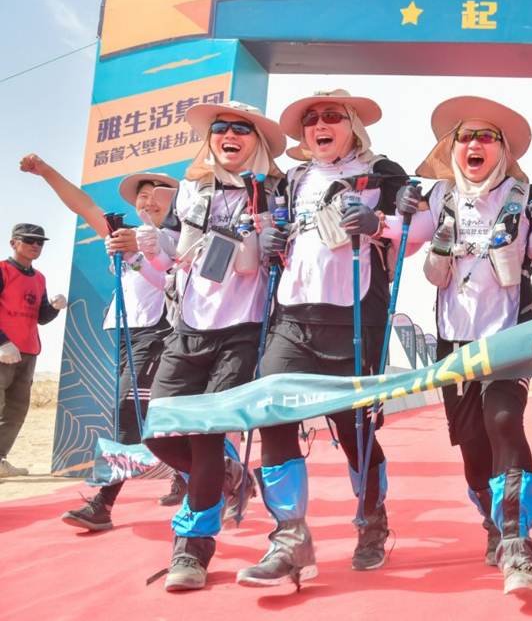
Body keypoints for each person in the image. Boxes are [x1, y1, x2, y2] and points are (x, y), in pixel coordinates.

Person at [389, 96, 532, 595]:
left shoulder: (523, 194)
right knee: (472, 446)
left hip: (510, 335)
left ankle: (517, 540)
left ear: (502, 150)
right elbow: (408, 237)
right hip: (454, 342)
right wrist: (386, 218)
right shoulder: (440, 196)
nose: (474, 144)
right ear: (453, 148)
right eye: (466, 136)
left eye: (486, 137)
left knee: (504, 420)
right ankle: (493, 521)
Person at [236, 89, 408, 587]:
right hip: (291, 319)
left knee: (356, 432)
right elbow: (277, 235)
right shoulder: (292, 179)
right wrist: (269, 243)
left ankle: (371, 521)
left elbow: (416, 230)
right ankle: (290, 540)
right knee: (272, 415)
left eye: (332, 116)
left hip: (356, 319)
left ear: (353, 124)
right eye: (311, 119)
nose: (320, 125)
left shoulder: (383, 172)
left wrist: (382, 224)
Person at [136, 100, 287, 592]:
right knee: (157, 431)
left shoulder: (276, 190)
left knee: (204, 433)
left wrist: (277, 243)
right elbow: (172, 261)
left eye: (242, 128)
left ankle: (193, 546)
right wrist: (150, 249)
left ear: (257, 142)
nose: (229, 135)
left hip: (243, 328)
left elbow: (291, 253)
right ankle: (226, 473)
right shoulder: (190, 191)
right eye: (220, 127)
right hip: (188, 327)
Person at [18, 155, 182, 529]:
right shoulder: (123, 233)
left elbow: (172, 280)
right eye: (142, 196)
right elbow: (85, 206)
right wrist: (46, 172)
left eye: (158, 194)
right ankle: (198, 474)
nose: (149, 201)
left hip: (159, 334)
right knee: (158, 413)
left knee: (127, 413)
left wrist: (140, 254)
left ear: (174, 201)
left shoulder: (180, 237)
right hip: (124, 334)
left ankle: (103, 504)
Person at [0, 223, 66, 477]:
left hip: (28, 352)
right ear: (13, 243)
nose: (36, 245)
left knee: (16, 411)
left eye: (40, 242)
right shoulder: (3, 270)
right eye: (29, 241)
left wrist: (54, 308)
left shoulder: (39, 278)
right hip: (4, 351)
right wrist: (3, 343)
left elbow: (40, 317)